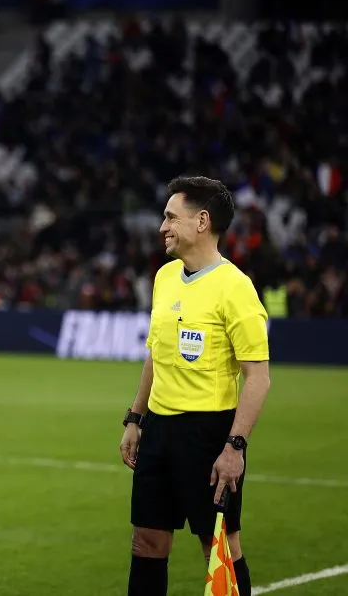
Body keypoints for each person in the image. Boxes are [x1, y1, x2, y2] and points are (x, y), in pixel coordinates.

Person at [119, 176, 271, 596]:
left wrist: (234, 447)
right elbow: (156, 353)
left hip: (208, 434)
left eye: (171, 217)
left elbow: (258, 377)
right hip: (159, 431)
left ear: (202, 221)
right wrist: (136, 417)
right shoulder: (165, 277)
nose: (162, 226)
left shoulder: (236, 288)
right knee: (146, 542)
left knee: (218, 546)